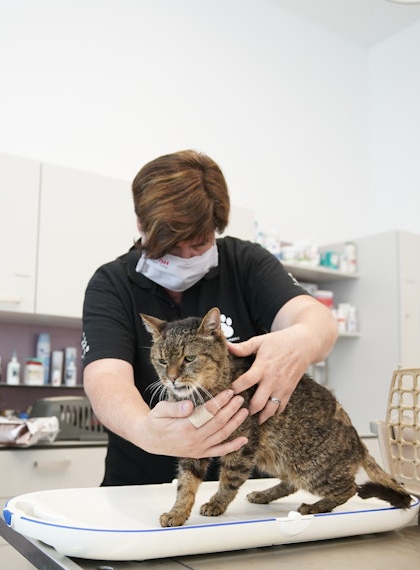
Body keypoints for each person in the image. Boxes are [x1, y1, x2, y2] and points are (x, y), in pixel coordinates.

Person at [81, 149, 339, 486]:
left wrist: (301, 341)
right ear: (141, 225)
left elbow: (317, 320)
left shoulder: (245, 264)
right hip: (140, 485)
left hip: (248, 488)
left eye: (199, 245)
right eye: (171, 247)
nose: (185, 256)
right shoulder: (112, 283)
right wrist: (146, 430)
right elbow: (105, 378)